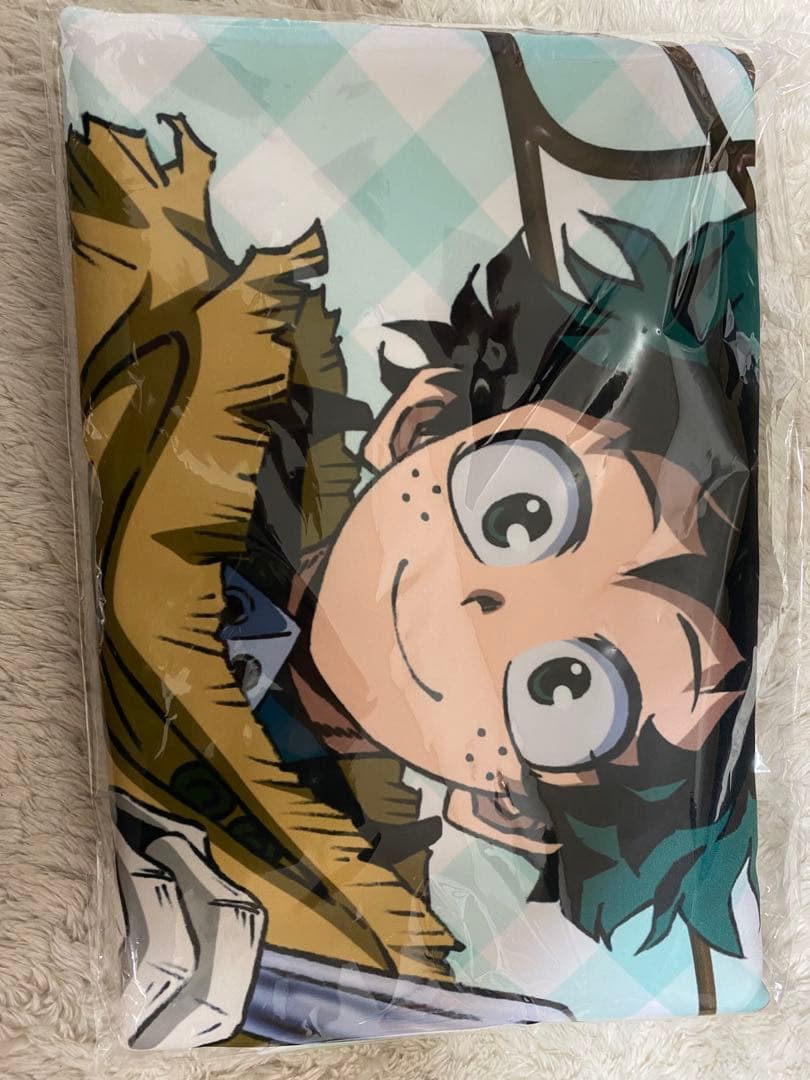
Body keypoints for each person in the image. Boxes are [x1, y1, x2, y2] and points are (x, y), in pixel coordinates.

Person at [67, 112, 759, 1049]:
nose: (486, 605)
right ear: (421, 421)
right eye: (519, 514)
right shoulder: (211, 351)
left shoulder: (359, 938)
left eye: (564, 686)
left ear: (507, 808)